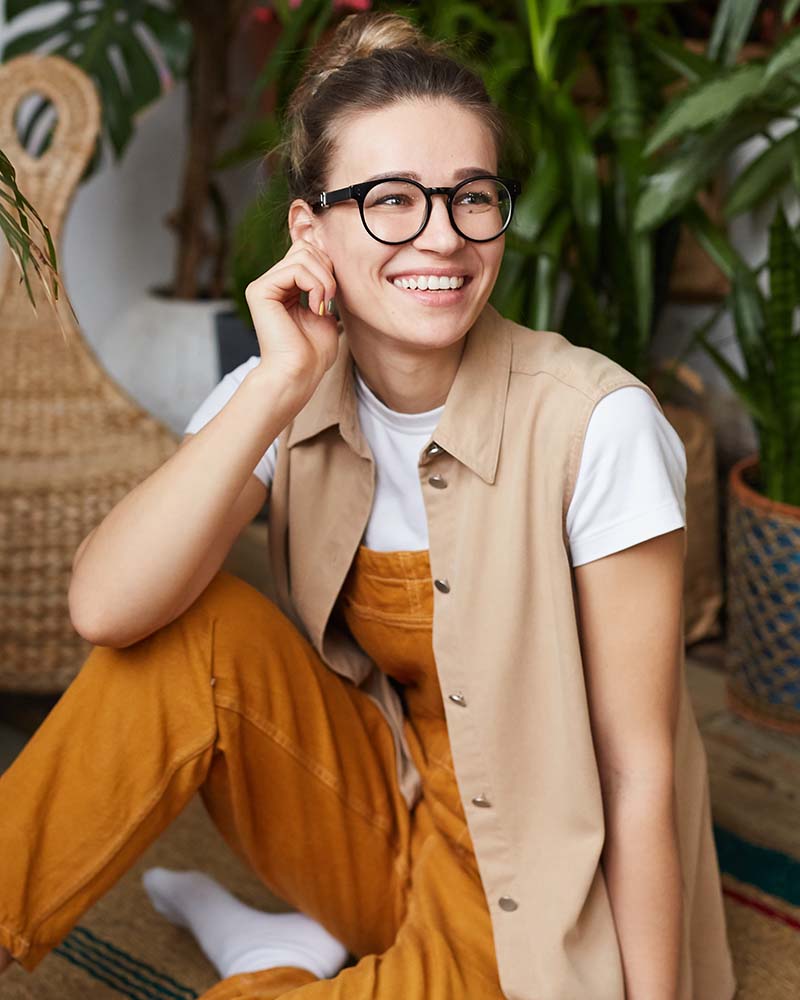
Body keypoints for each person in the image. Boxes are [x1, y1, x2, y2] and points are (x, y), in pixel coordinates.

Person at [0, 11, 737, 1000]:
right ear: (309, 232)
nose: (443, 236)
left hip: (535, 906)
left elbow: (636, 770)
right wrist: (275, 384)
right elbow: (106, 608)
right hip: (382, 828)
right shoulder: (282, 390)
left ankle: (274, 954)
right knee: (187, 636)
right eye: (392, 199)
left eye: (471, 197)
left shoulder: (596, 425)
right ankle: (299, 935)